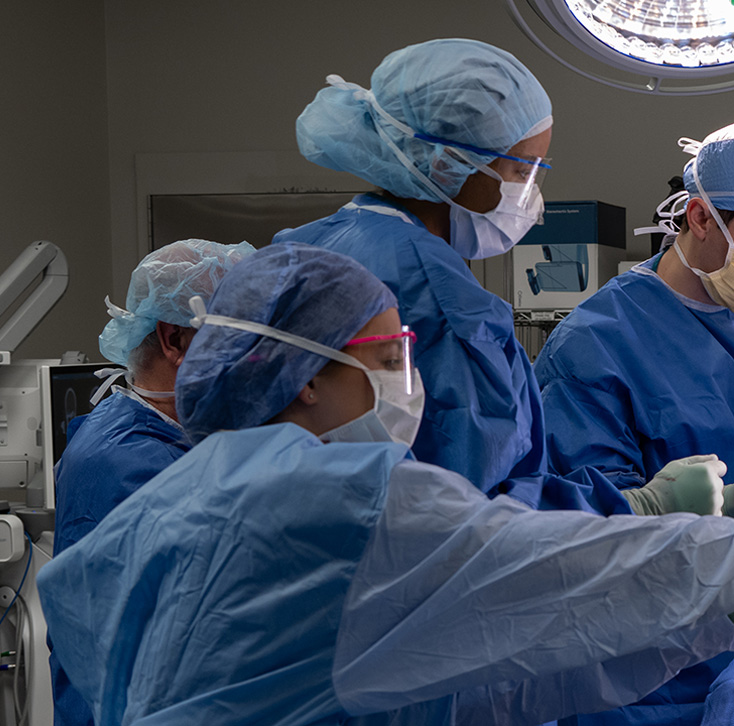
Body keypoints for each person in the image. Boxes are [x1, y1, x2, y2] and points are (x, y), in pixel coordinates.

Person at [36, 242, 734, 725]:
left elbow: (477, 676)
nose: (409, 382)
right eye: (386, 357)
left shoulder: (189, 490)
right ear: (306, 379)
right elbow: (562, 570)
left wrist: (715, 610)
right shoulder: (335, 499)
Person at [534, 122, 734, 724]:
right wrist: (719, 510)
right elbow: (589, 529)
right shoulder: (595, 344)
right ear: (701, 217)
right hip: (648, 661)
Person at [276, 38, 644, 516]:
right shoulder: (444, 299)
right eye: (522, 170)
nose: (531, 195)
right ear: (446, 163)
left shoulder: (303, 244)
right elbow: (481, 509)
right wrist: (636, 507)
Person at [48, 238, 253, 726]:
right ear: (174, 339)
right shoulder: (128, 464)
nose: (254, 358)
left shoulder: (164, 435)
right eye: (238, 337)